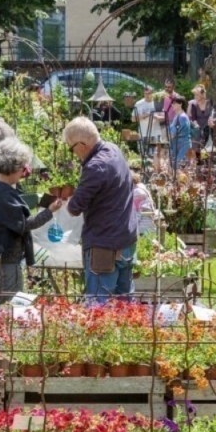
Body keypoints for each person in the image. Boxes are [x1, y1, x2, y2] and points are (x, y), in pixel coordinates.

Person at [0, 139, 62, 302]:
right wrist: (50, 211)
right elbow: (24, 224)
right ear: (12, 167)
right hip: (3, 264)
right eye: (23, 168)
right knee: (11, 308)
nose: (24, 172)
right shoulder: (2, 193)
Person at [63, 117, 138, 302]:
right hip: (126, 238)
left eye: (71, 148)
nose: (74, 154)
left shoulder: (95, 166)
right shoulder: (114, 150)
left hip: (104, 245)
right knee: (125, 306)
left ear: (81, 144)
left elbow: (75, 207)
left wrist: (68, 200)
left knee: (98, 307)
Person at [134, 85, 164, 150]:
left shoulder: (157, 103)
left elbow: (164, 117)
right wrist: (147, 115)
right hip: (143, 134)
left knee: (157, 155)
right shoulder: (139, 104)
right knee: (143, 156)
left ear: (153, 93)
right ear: (143, 93)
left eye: (149, 93)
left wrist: (157, 117)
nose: (147, 95)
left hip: (156, 134)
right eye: (145, 93)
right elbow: (133, 119)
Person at [187, 84, 214, 154]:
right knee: (197, 150)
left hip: (208, 130)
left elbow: (212, 114)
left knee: (207, 151)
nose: (195, 96)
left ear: (202, 95)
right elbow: (193, 118)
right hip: (198, 130)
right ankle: (198, 163)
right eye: (194, 95)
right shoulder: (194, 105)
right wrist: (197, 126)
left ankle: (206, 163)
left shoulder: (209, 103)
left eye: (197, 95)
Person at [169, 96, 192, 169]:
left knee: (180, 167)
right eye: (172, 103)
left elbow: (173, 133)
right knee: (175, 168)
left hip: (183, 145)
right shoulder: (177, 116)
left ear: (180, 104)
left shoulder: (182, 117)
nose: (172, 105)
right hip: (176, 144)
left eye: (174, 103)